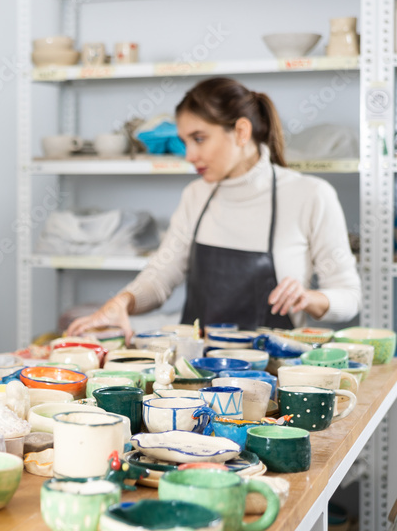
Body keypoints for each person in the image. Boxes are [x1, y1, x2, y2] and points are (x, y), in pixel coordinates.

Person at [67, 77, 360, 338]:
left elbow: (349, 297)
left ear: (241, 131)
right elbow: (160, 275)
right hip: (194, 377)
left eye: (199, 138)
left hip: (273, 378)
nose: (189, 155)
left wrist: (311, 298)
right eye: (185, 142)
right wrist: (123, 302)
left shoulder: (310, 195)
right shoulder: (196, 195)